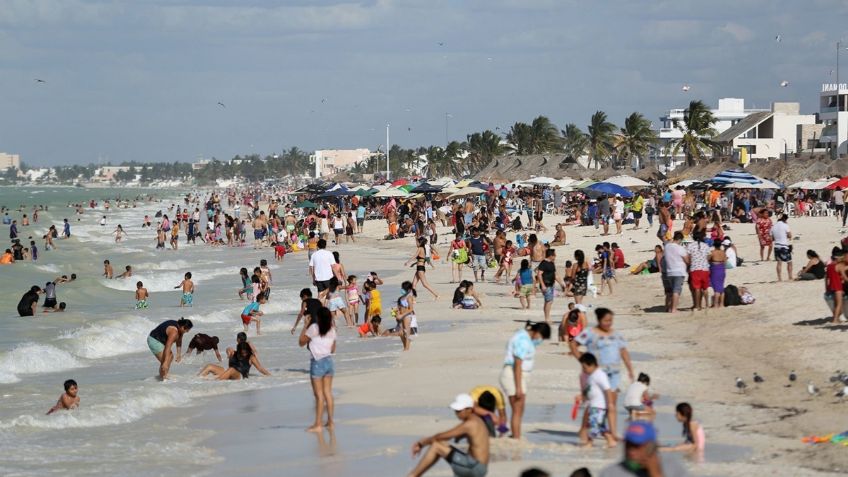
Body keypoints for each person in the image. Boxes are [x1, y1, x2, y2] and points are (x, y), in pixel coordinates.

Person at [570, 308, 633, 440]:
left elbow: (623, 351)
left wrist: (630, 369)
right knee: (593, 402)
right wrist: (582, 361)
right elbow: (573, 343)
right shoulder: (590, 333)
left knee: (611, 403)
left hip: (613, 374)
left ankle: (612, 432)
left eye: (610, 320)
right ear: (599, 320)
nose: (609, 323)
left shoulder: (616, 334)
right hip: (595, 373)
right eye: (606, 320)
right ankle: (584, 428)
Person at [408, 393, 490, 477]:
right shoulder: (477, 420)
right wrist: (460, 436)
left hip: (473, 467)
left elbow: (440, 436)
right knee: (442, 444)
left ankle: (413, 475)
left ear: (469, 409)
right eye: (455, 410)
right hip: (478, 467)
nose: (457, 414)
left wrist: (421, 444)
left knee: (436, 446)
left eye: (459, 410)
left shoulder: (470, 424)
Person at [499, 321, 551, 439]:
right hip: (513, 376)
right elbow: (517, 364)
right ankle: (516, 437)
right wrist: (518, 388)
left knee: (519, 409)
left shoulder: (525, 337)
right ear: (537, 332)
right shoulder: (522, 340)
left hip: (519, 376)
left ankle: (515, 434)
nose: (540, 340)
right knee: (517, 409)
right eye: (542, 337)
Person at [599, 421, 690, 477]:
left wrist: (656, 474)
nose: (631, 451)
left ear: (652, 446)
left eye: (637, 446)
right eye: (628, 445)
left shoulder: (672, 468)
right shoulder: (611, 473)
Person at [299, 306, 337, 432]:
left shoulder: (314, 328)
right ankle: (330, 422)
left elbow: (301, 342)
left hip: (317, 361)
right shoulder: (332, 329)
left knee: (319, 395)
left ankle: (318, 424)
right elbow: (333, 349)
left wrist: (306, 325)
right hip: (329, 361)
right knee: (328, 393)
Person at [576, 352, 617, 448]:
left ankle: (589, 442)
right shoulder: (591, 375)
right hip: (593, 405)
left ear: (592, 365)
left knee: (593, 425)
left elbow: (607, 389)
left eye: (585, 367)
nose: (584, 370)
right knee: (600, 426)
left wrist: (610, 404)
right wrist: (582, 396)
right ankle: (611, 441)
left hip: (599, 406)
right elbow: (589, 390)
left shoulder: (600, 374)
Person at [199, 341, 269, 380]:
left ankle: (215, 383)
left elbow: (260, 368)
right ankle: (196, 380)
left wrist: (270, 375)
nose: (244, 354)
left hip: (240, 376)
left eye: (246, 352)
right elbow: (228, 349)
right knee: (210, 366)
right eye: (242, 353)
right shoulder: (234, 353)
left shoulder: (251, 357)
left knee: (231, 369)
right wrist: (228, 351)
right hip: (229, 372)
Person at [536, 249, 566, 323]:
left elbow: (555, 275)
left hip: (551, 284)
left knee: (549, 301)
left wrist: (561, 283)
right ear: (551, 255)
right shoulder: (543, 263)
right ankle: (547, 318)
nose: (555, 256)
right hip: (545, 285)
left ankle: (547, 317)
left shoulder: (552, 263)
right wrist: (542, 285)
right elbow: (539, 274)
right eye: (554, 255)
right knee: (548, 301)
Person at [662, 232, 689, 313]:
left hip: (669, 271)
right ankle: (674, 309)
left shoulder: (667, 246)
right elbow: (687, 260)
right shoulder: (680, 248)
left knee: (671, 291)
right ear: (680, 239)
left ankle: (669, 307)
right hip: (679, 271)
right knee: (676, 291)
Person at [825, 247, 846, 324]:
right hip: (838, 287)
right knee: (839, 304)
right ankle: (835, 320)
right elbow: (844, 277)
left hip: (831, 286)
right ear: (838, 258)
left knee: (836, 304)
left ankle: (836, 318)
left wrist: (826, 288)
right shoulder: (839, 266)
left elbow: (827, 278)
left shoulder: (829, 266)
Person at [771, 214, 793, 281]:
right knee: (789, 262)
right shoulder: (785, 225)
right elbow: (790, 236)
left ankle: (779, 278)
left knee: (779, 262)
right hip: (784, 246)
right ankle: (790, 276)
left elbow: (772, 239)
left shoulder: (773, 227)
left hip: (776, 246)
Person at [708, 242, 727, 308]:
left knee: (716, 288)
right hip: (722, 269)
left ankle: (715, 304)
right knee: (721, 287)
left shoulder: (712, 252)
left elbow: (708, 260)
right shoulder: (723, 252)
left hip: (715, 270)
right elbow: (725, 261)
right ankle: (721, 304)